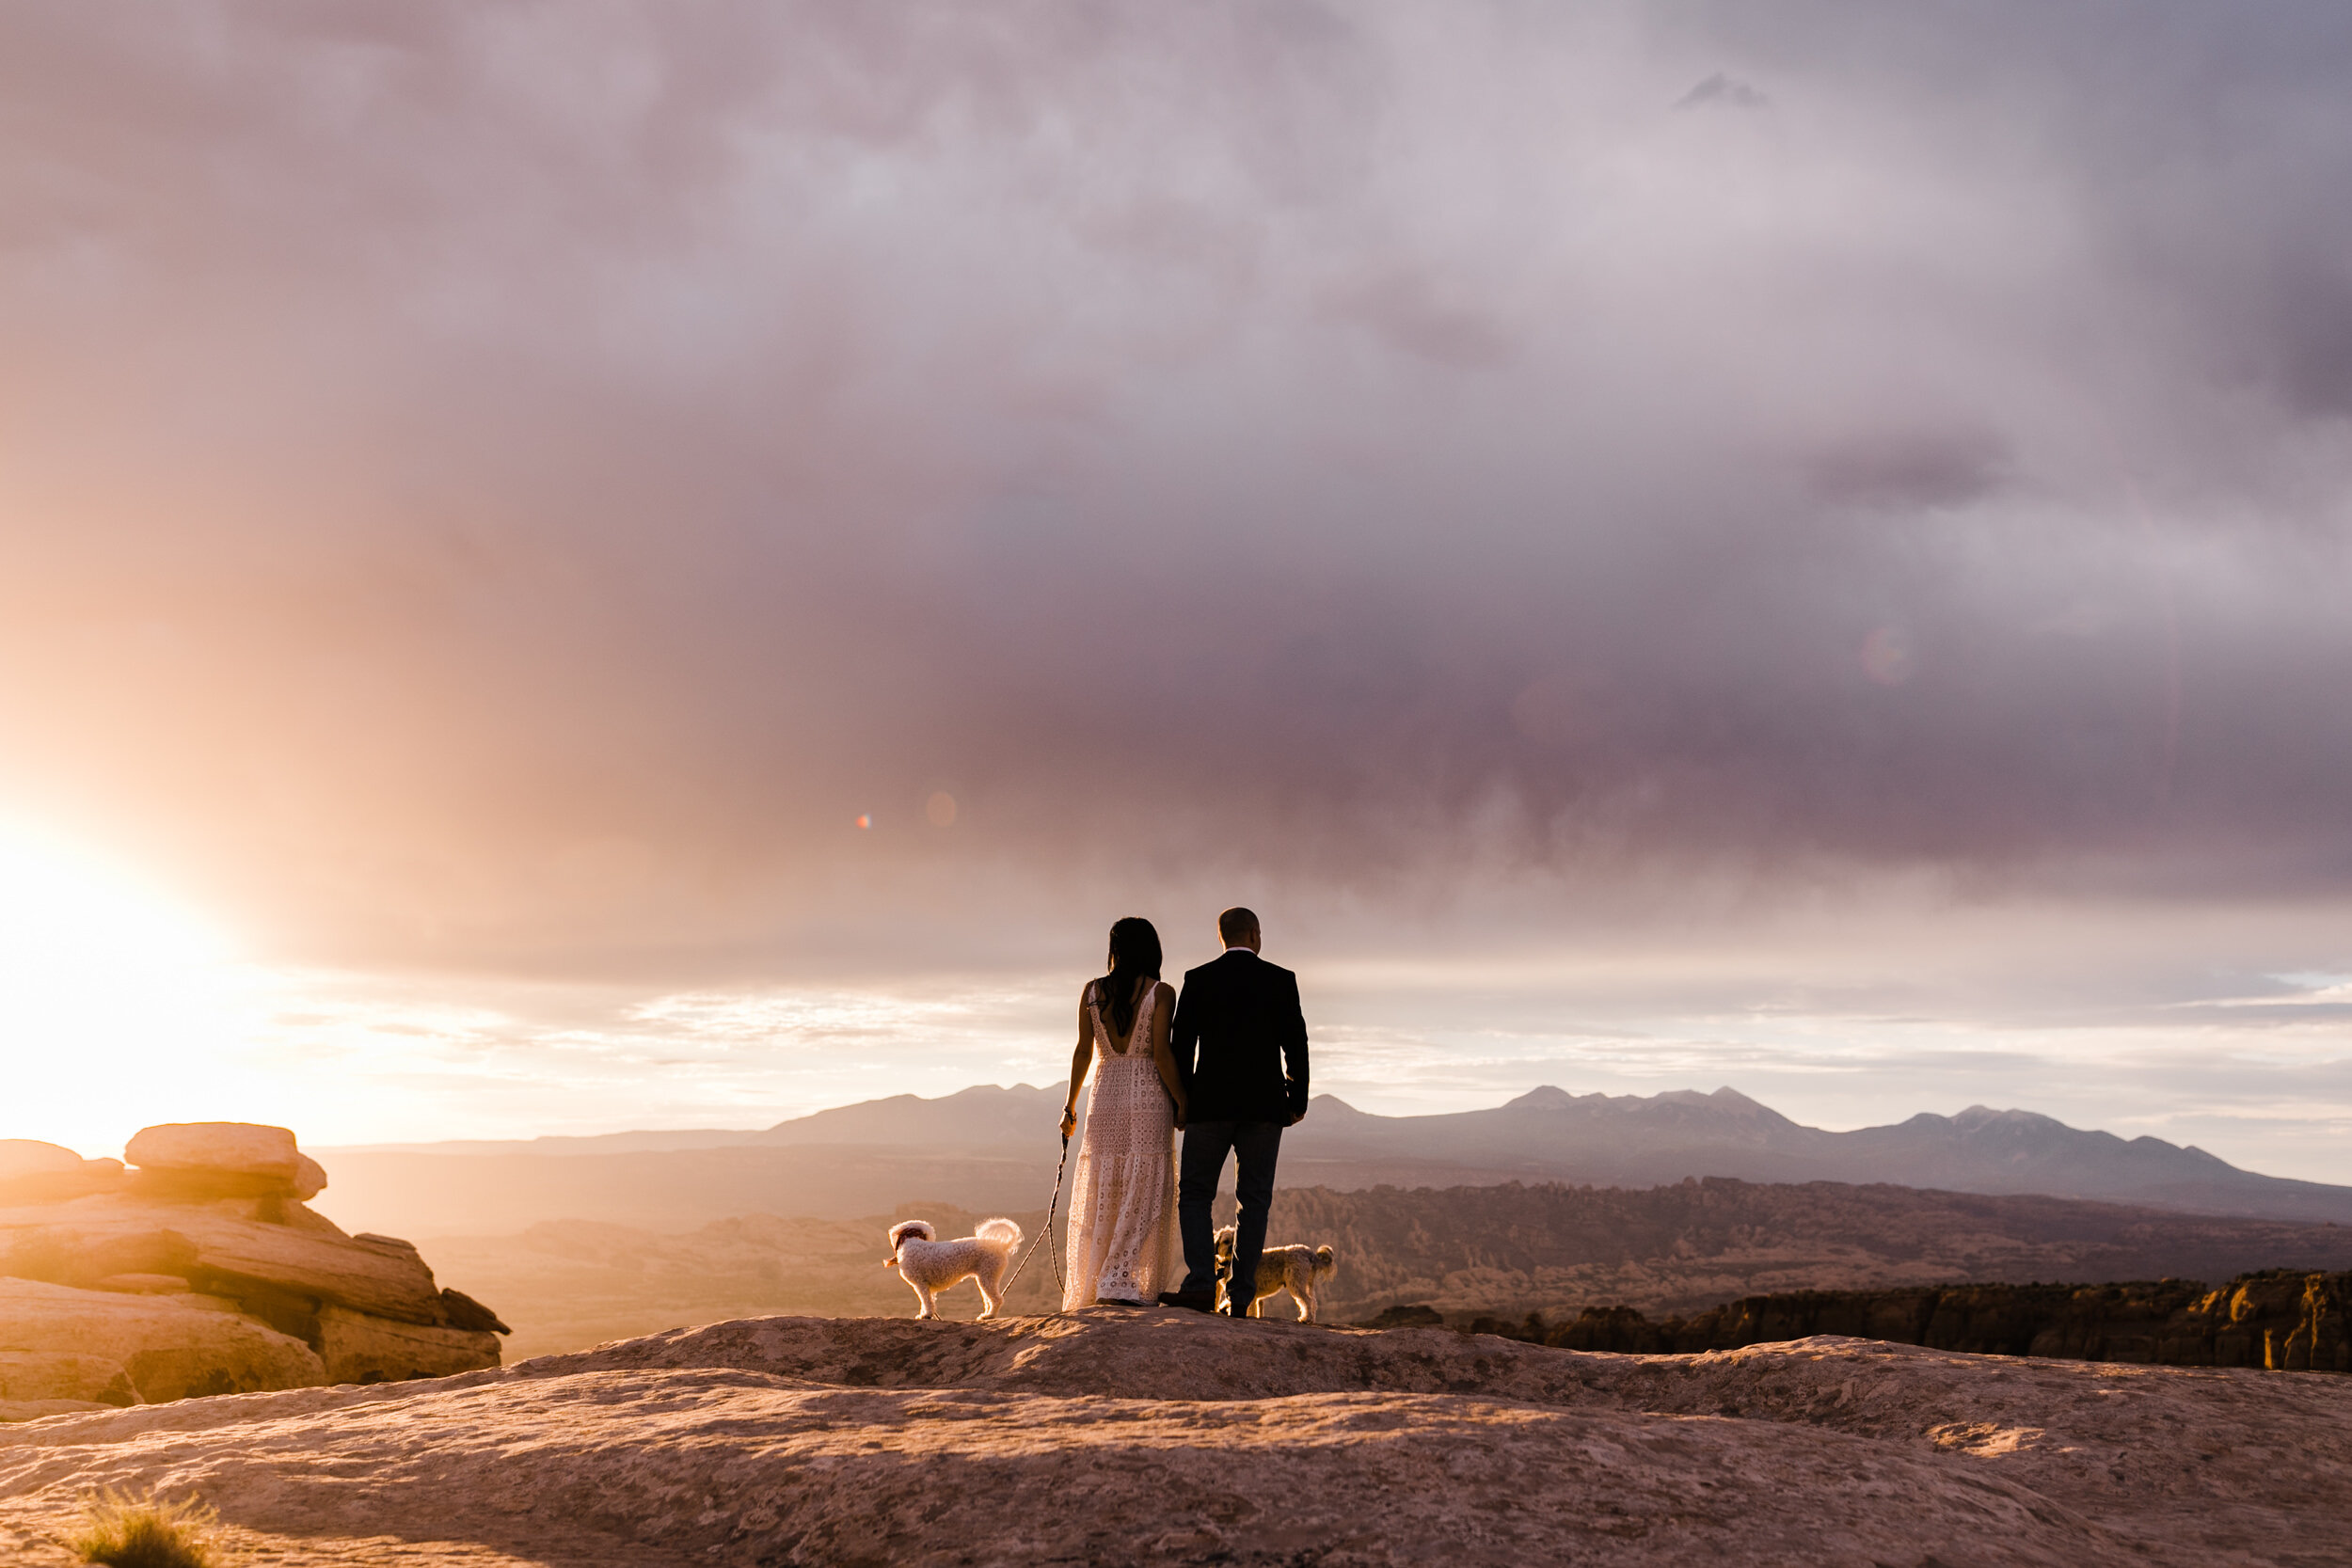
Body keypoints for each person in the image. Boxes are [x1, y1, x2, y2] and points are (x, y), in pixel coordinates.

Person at [1157, 907, 1310, 1315]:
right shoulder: (1281, 980)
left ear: (1221, 938)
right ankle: (1241, 1297)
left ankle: (1202, 1285)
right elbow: (1296, 1044)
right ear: (1255, 935)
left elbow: (1181, 1047)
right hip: (1264, 1108)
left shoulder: (1199, 979)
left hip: (1210, 1106)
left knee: (1194, 1194)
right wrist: (1296, 1101)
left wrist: (1182, 1102)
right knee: (1254, 1200)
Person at [1057, 916, 1188, 1308]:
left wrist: (1070, 1105)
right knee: (1143, 1186)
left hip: (1105, 1094)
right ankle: (1121, 1277)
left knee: (1104, 1186)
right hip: (1148, 1096)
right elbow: (1162, 1054)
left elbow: (1083, 1051)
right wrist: (1182, 1099)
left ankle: (1103, 1278)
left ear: (1114, 948)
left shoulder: (1092, 992)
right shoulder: (1162, 992)